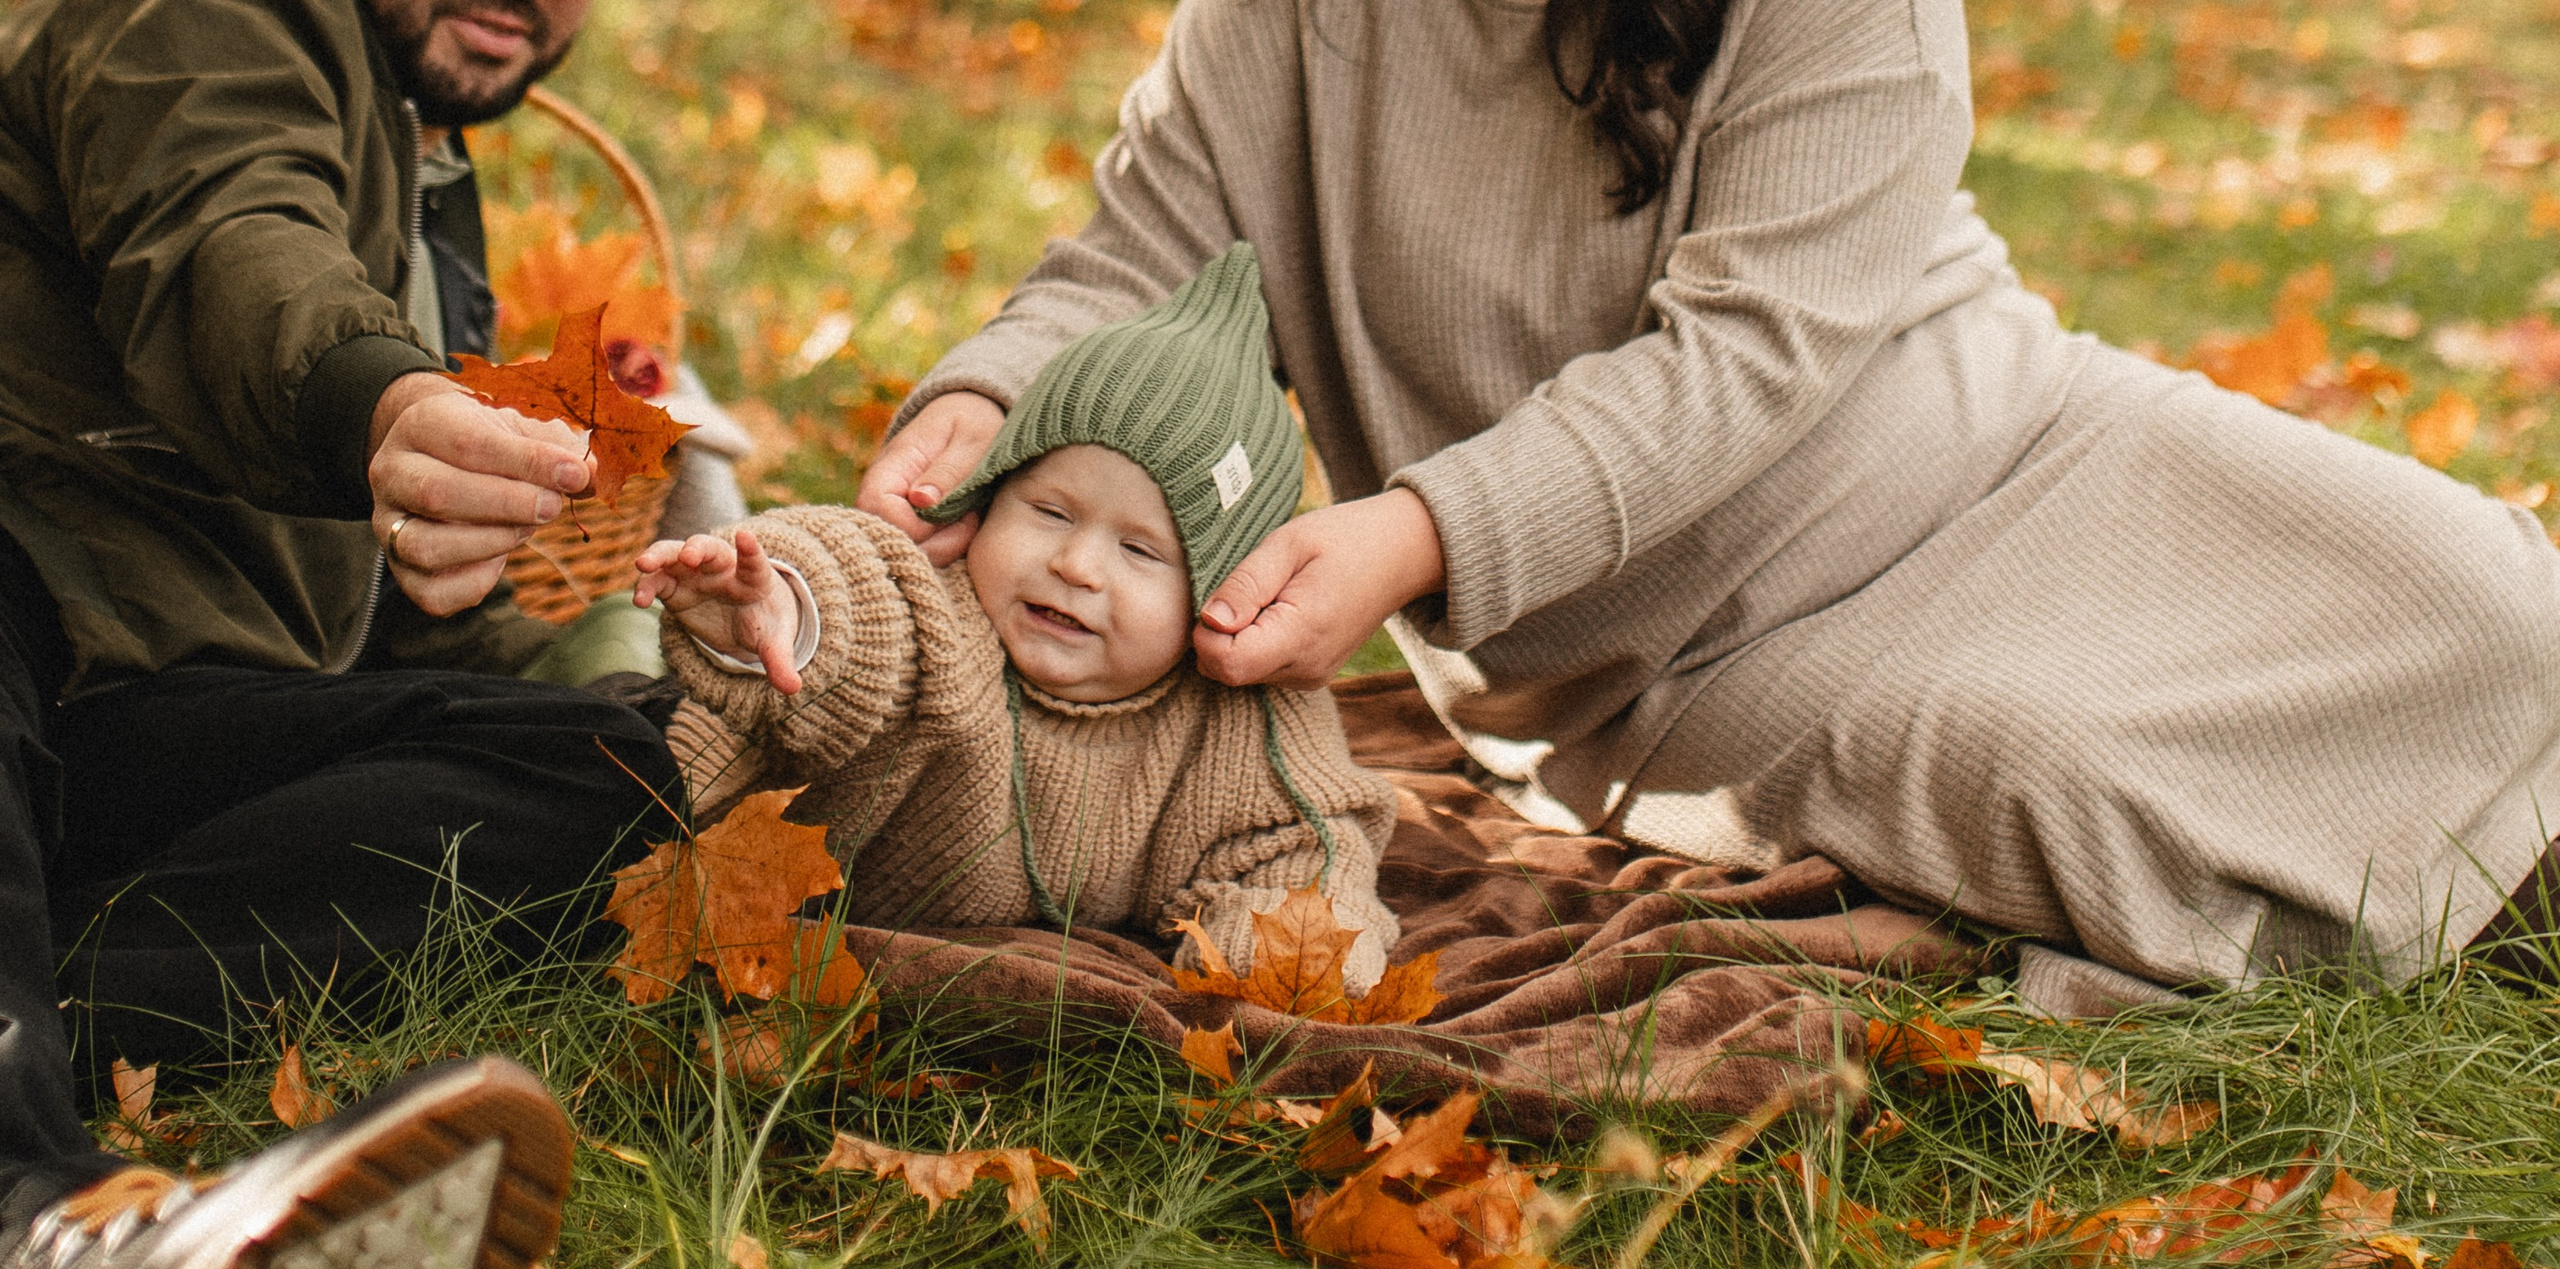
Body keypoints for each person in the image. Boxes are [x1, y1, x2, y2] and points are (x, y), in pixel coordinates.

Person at [858, 0, 2560, 1015]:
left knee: (2495, 602)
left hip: (2006, 444)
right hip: (1660, 650)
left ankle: (2497, 873)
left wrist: (1414, 529)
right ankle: (2446, 909)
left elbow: (1753, 352)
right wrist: (979, 398)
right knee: (2063, 774)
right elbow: (1139, 259)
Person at [0, 0, 680, 1258]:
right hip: (32, 613)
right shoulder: (194, 19)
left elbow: (381, 609)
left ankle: (34, 998)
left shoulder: (418, 167)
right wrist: (384, 402)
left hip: (148, 717)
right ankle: (41, 1207)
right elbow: (224, 228)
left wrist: (661, 672)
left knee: (609, 774)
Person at [641, 247, 1402, 987]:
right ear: (991, 495)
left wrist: (1273, 964)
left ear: (1224, 596)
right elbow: (869, 587)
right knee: (604, 744)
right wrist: (783, 602)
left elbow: (1311, 847)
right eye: (1048, 510)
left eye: (1141, 551)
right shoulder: (952, 618)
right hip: (704, 801)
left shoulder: (1241, 723)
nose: (1076, 565)